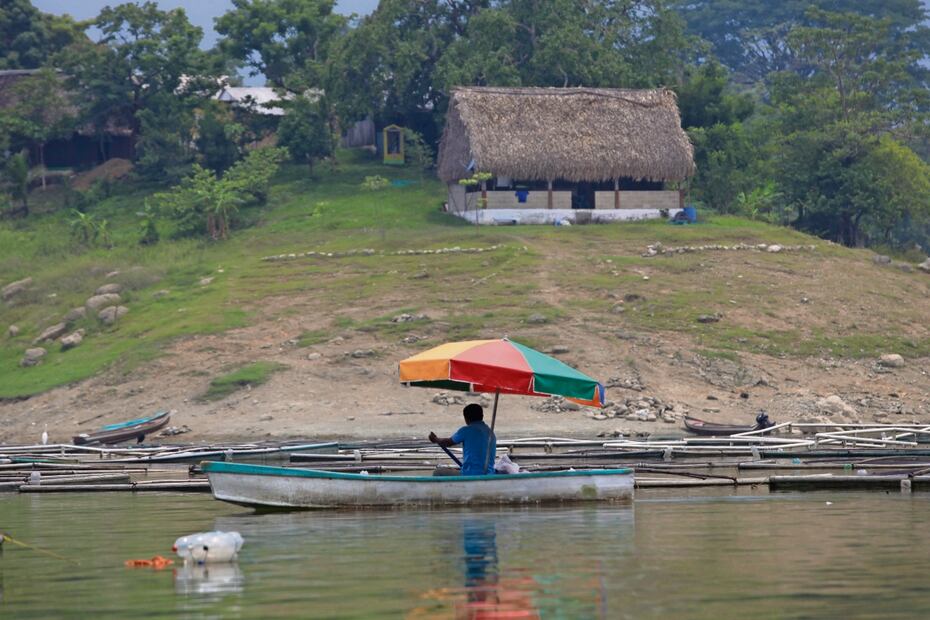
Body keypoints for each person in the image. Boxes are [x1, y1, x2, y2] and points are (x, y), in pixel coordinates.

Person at [429, 403, 497, 475]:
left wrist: (435, 439)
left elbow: (448, 442)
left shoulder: (466, 430)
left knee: (438, 472)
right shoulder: (491, 433)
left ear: (466, 418)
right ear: (482, 416)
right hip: (489, 473)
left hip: (470, 473)